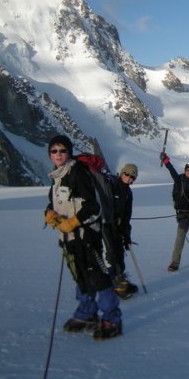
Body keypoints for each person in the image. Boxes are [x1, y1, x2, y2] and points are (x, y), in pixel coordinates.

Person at [44, 135, 122, 340]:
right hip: (69, 237)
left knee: (98, 275)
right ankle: (87, 312)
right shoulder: (58, 176)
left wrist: (73, 222)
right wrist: (49, 213)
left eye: (62, 150)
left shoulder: (78, 173)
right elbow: (55, 202)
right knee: (80, 274)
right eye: (54, 151)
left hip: (87, 235)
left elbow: (92, 207)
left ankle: (112, 318)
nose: (58, 154)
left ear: (69, 152)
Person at [111, 164, 140, 299]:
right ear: (122, 173)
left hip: (119, 228)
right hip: (105, 227)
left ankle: (120, 284)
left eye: (132, 177)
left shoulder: (128, 192)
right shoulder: (111, 185)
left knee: (119, 256)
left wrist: (126, 233)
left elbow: (127, 215)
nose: (129, 178)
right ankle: (114, 286)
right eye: (127, 175)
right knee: (109, 258)